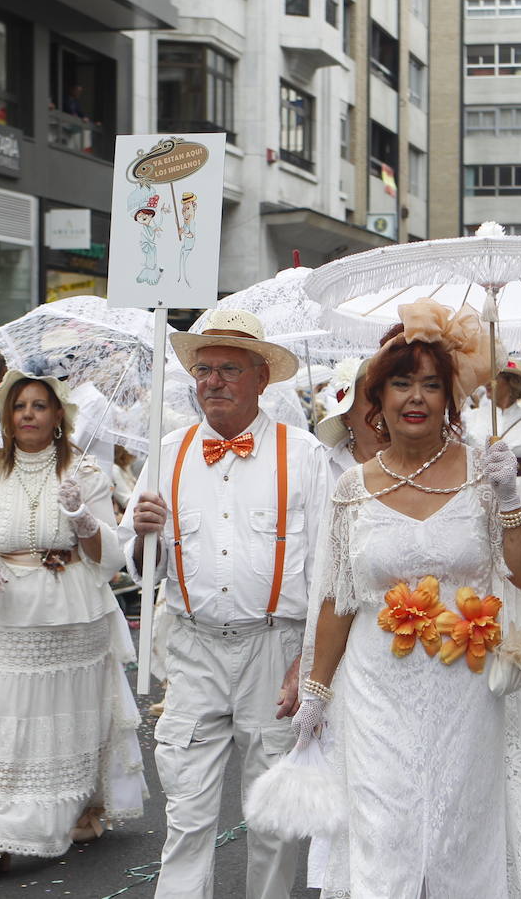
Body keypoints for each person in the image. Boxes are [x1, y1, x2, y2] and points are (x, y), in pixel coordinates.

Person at [295, 299, 521, 899]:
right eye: (401, 384)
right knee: (384, 834)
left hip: (466, 691)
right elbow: (337, 600)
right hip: (375, 693)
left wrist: (509, 498)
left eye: (430, 384)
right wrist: (315, 693)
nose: (416, 398)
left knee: (459, 832)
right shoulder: (349, 489)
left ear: (451, 398)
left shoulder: (486, 472)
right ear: (377, 398)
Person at [120, 310, 333, 898]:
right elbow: (141, 571)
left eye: (228, 370)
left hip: (276, 647)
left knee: (271, 816)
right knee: (186, 811)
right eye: (204, 369)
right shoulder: (168, 451)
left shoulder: (305, 454)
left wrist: (308, 665)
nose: (211, 381)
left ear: (261, 378)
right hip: (191, 646)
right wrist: (141, 534)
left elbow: (325, 574)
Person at [0, 371, 145, 880]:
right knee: (3, 722)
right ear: (8, 418)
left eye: (40, 405)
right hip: (10, 612)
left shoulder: (87, 471)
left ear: (58, 416)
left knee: (72, 715)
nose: (29, 414)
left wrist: (82, 518)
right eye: (20, 407)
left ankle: (78, 807)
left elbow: (113, 558)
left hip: (74, 609)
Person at [313, 358, 388, 480]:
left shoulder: (416, 457)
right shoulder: (325, 469)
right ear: (346, 417)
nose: (383, 406)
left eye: (385, 396)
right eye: (372, 398)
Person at [463, 358, 521, 473]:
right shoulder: (471, 417)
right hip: (478, 487)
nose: (487, 383)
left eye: (494, 377)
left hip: (518, 489)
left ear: (512, 382)